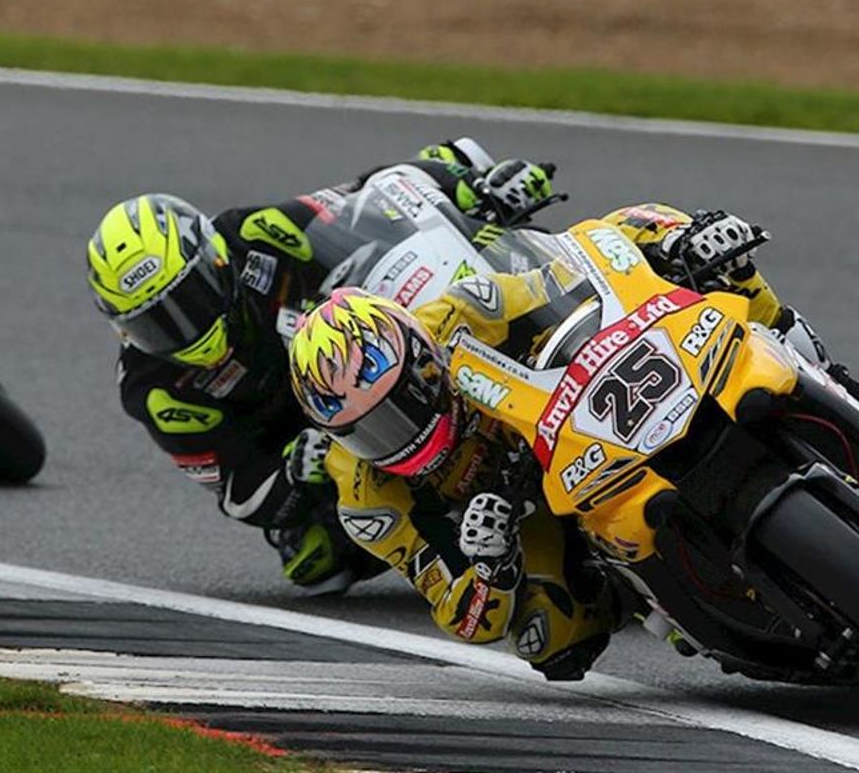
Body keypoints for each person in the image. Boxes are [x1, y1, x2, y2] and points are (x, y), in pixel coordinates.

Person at [287, 201, 850, 678]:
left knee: (753, 313)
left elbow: (582, 259)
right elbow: (459, 613)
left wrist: (679, 241)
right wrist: (489, 566)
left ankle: (827, 375)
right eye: (364, 431)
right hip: (526, 508)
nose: (397, 437)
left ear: (425, 364)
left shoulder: (459, 314)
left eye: (399, 407)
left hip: (578, 414)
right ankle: (659, 599)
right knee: (548, 638)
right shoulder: (365, 496)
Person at [86, 138, 558, 594]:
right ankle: (461, 567)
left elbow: (369, 196)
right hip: (309, 442)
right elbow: (238, 490)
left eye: (187, 300)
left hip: (358, 363)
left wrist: (469, 187)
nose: (181, 327)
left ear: (214, 258)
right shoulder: (155, 390)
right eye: (153, 323)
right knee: (316, 560)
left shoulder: (255, 234)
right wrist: (295, 468)